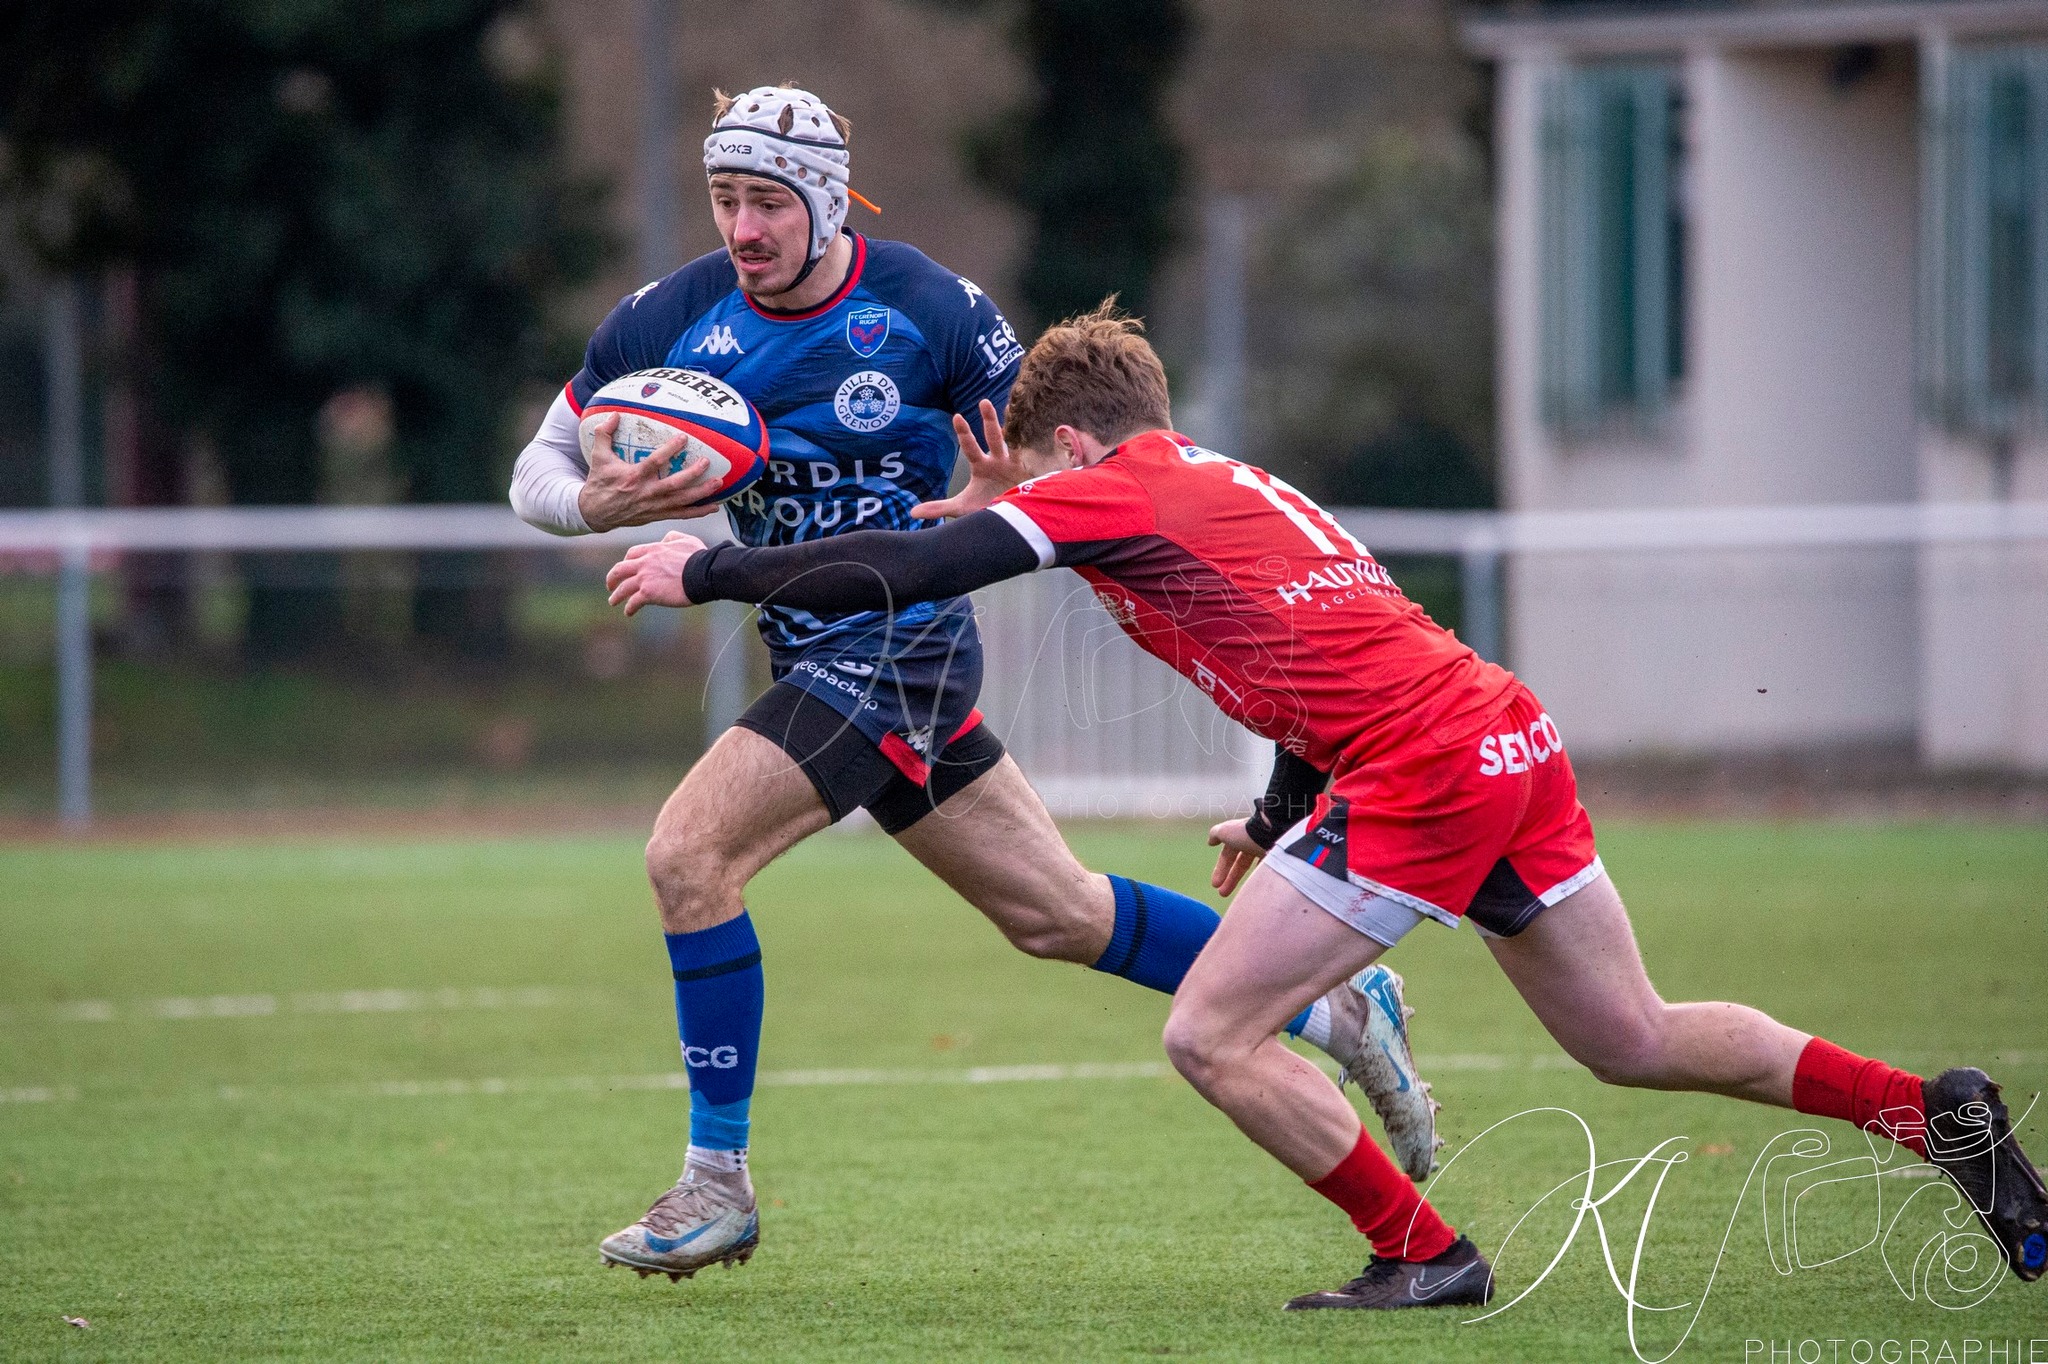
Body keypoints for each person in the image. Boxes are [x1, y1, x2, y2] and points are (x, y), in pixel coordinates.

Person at [606, 302, 2048, 1308]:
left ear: (1077, 448)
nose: (1025, 499)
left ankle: (1424, 1251)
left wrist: (707, 573)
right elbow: (1321, 644)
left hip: (1424, 765)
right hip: (1499, 734)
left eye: (1033, 474)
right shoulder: (1232, 481)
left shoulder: (1109, 490)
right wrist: (1287, 804)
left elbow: (913, 579)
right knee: (1636, 1036)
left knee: (1211, 1034)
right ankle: (1941, 1119)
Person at [510, 88, 1437, 1281]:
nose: (742, 228)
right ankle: (1344, 1007)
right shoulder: (671, 316)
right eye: (724, 199)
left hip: (898, 647)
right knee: (1056, 912)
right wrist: (592, 501)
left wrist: (1009, 488)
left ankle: (715, 1182)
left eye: (767, 202)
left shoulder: (932, 310)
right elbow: (537, 467)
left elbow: (1064, 447)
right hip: (812, 652)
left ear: (827, 199)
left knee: (688, 855)